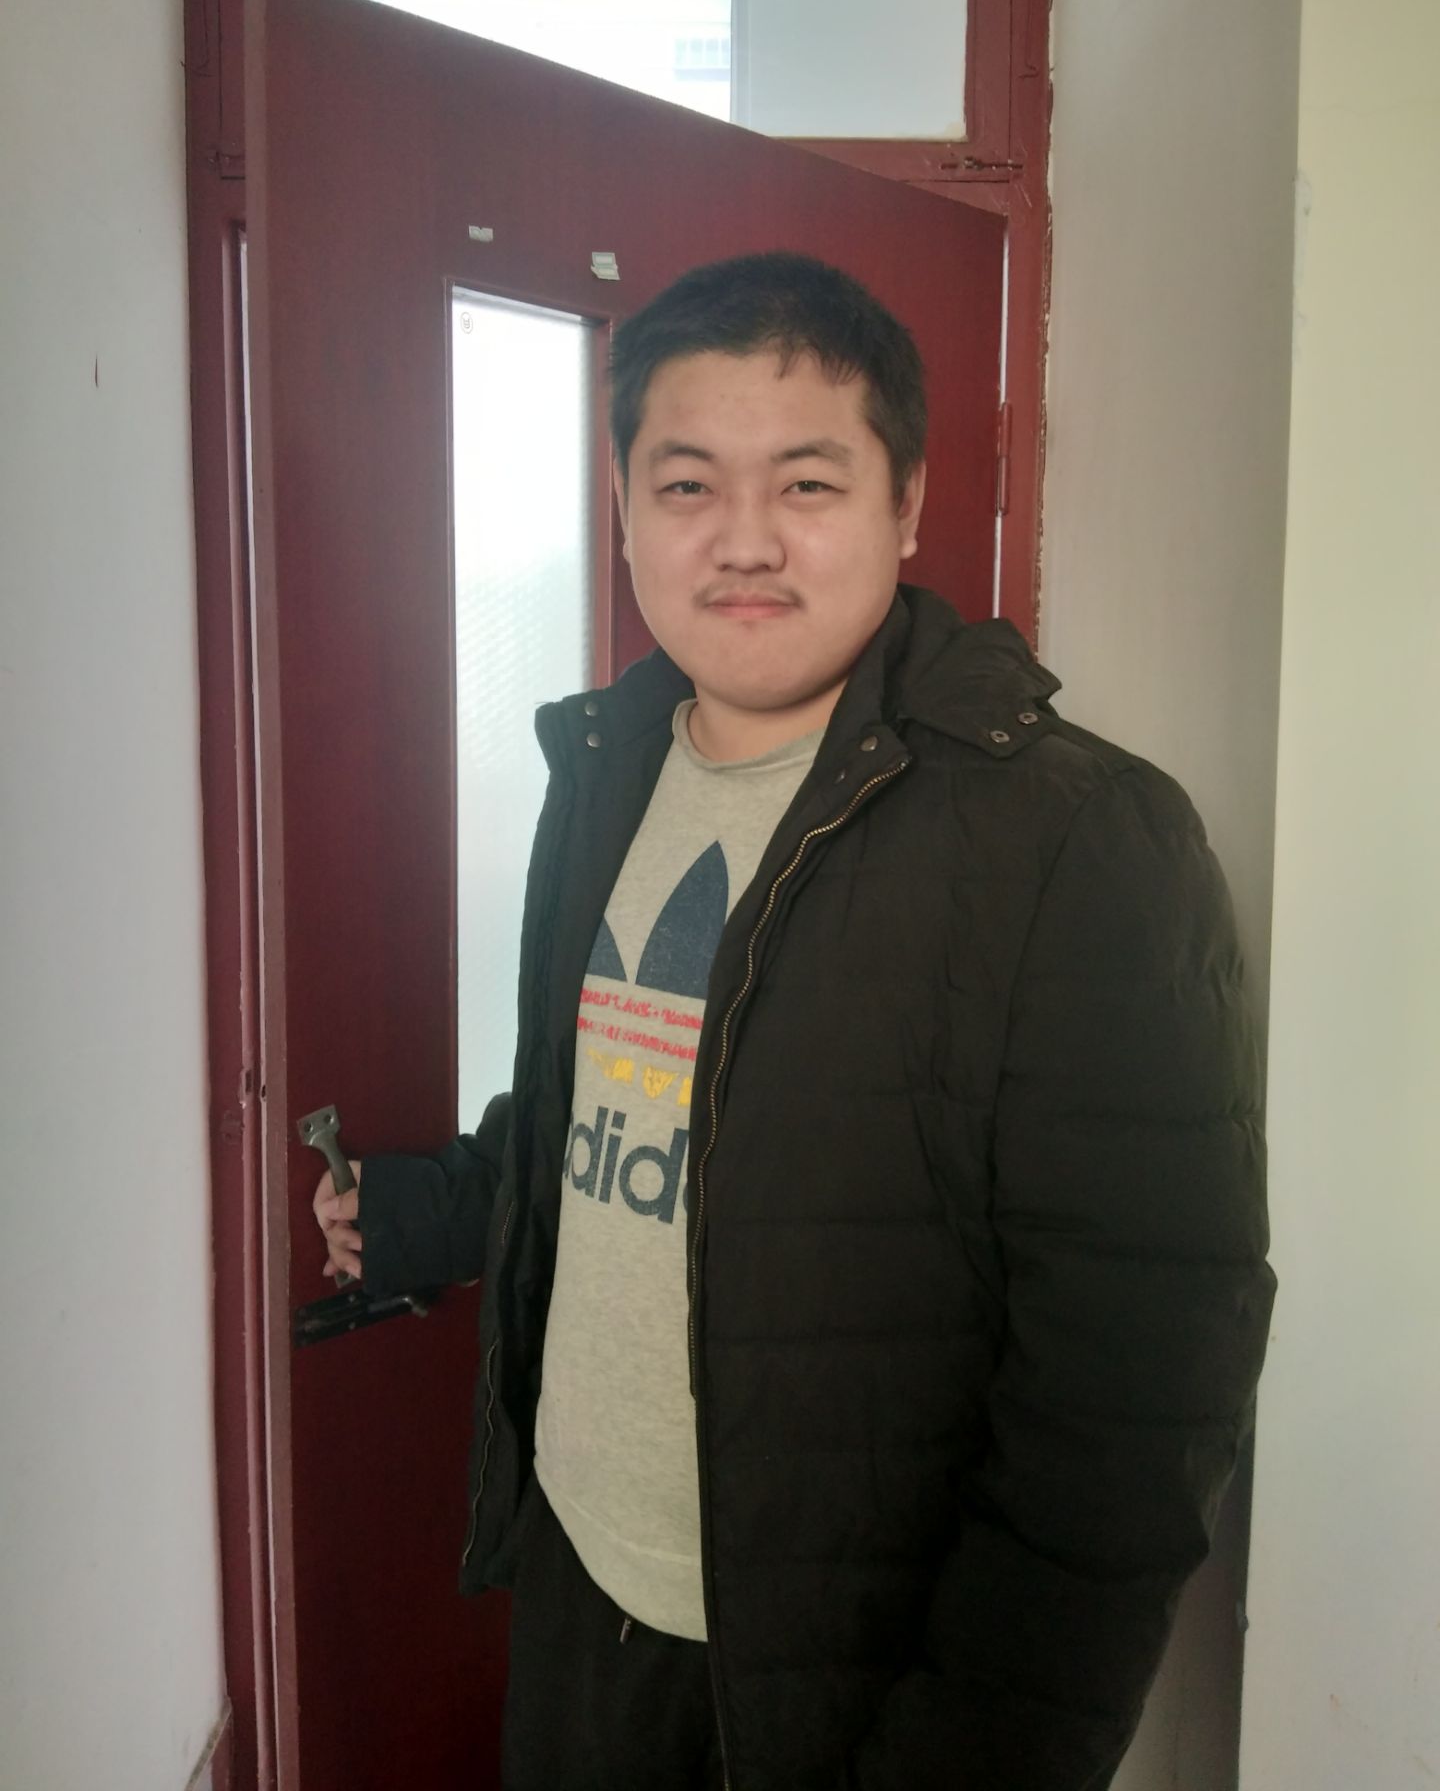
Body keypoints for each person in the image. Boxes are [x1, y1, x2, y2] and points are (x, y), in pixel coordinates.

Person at [313, 252, 1275, 1791]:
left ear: (907, 506)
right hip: (581, 1588)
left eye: (808, 484)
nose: (744, 540)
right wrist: (429, 1209)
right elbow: (603, 1105)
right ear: (623, 506)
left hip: (842, 1674)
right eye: (688, 485)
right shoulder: (609, 767)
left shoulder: (1079, 838)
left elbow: (1137, 1385)